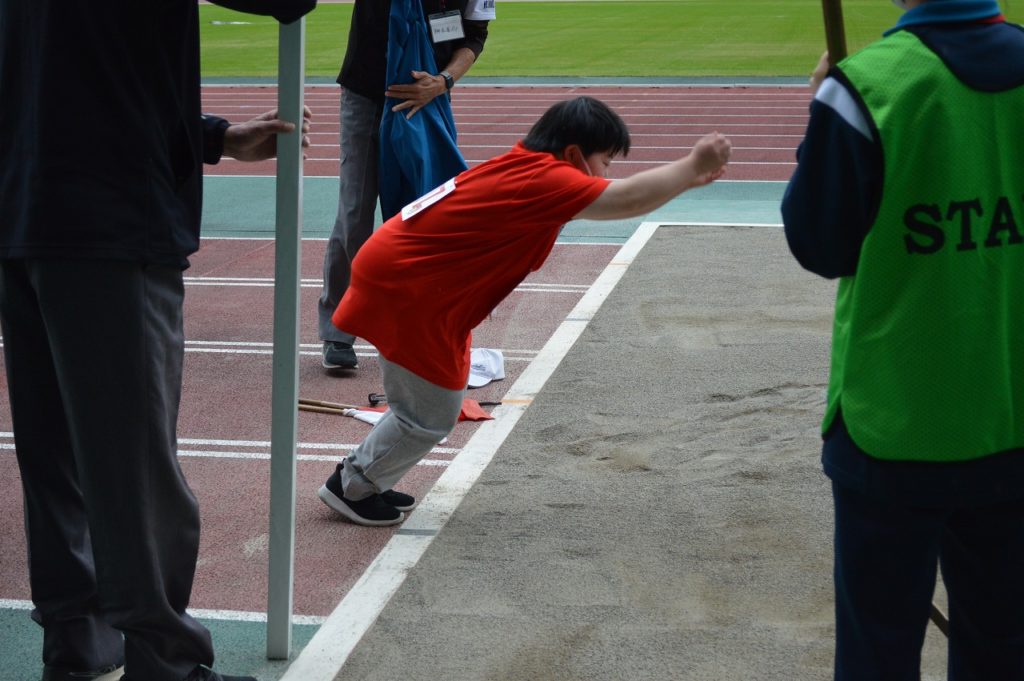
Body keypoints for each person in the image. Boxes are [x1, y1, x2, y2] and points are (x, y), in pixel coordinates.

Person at [0, 2, 315, 680]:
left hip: (25, 208)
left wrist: (210, 136)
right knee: (132, 465)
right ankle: (163, 662)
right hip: (110, 218)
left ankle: (78, 644)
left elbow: (67, 71)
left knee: (53, 454)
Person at [316, 96, 731, 526]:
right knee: (430, 413)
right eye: (606, 160)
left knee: (434, 397)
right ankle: (353, 486)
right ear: (574, 155)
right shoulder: (546, 178)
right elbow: (623, 201)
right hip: (411, 289)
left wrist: (682, 180)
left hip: (413, 280)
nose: (608, 172)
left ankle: (361, 480)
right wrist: (691, 165)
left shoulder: (526, 166)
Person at [781, 1, 1024, 678]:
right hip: (1011, 412)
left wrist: (824, 114)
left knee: (878, 649)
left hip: (893, 423)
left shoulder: (867, 86)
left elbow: (819, 244)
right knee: (1004, 644)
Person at [318, 0, 493, 372]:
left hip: (427, 97)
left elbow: (475, 37)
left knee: (423, 213)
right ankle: (337, 330)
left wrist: (442, 81)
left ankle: (416, 328)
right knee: (354, 213)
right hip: (366, 93)